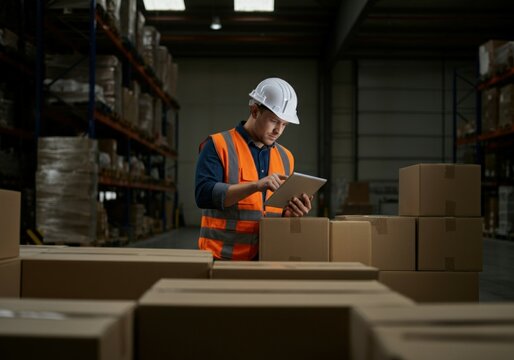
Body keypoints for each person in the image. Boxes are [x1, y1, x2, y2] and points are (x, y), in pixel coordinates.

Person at [195, 77, 313, 261]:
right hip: (222, 258)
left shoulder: (286, 157)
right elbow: (204, 195)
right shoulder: (218, 145)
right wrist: (255, 186)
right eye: (274, 121)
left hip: (268, 257)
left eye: (284, 125)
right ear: (254, 110)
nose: (278, 131)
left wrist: (290, 214)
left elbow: (278, 213)